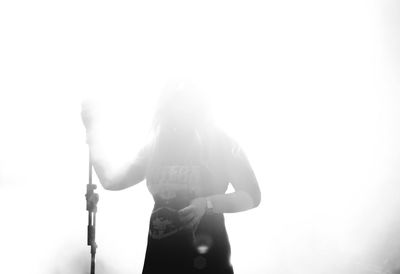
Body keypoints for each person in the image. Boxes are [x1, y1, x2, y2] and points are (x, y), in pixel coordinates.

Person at [81, 83, 261, 274]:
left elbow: (252, 195)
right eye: (173, 103)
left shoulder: (221, 144)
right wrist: (92, 132)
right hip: (160, 260)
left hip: (209, 261)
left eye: (185, 102)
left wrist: (207, 204)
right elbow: (112, 181)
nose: (179, 110)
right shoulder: (157, 147)